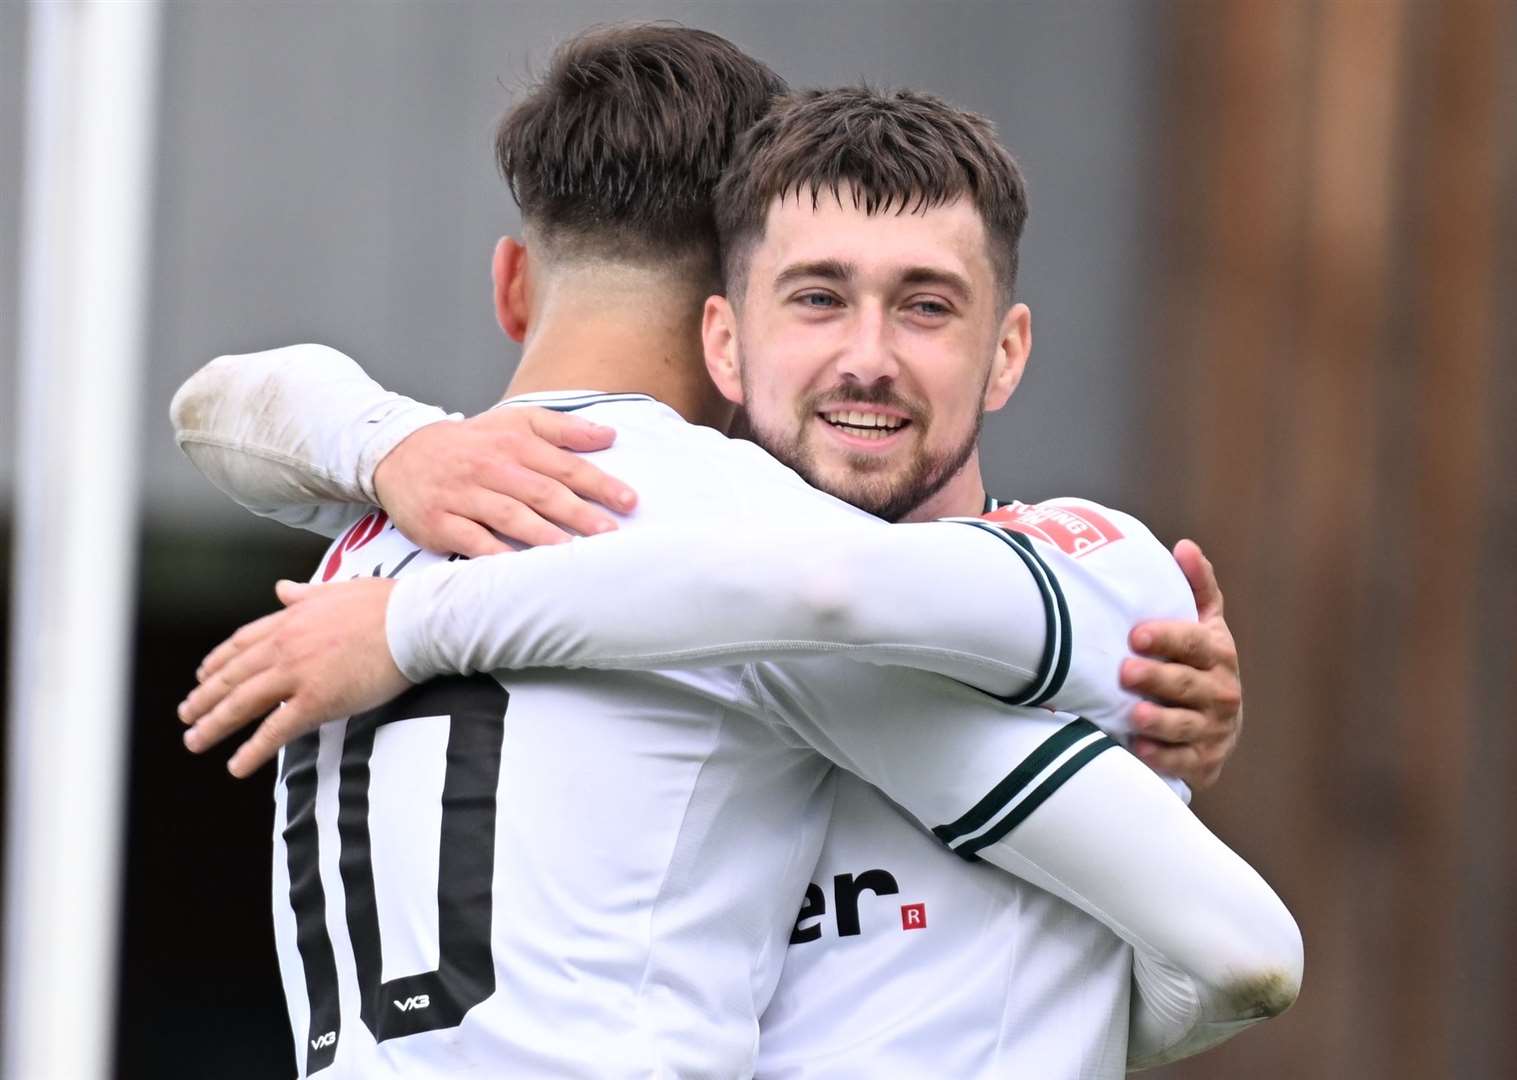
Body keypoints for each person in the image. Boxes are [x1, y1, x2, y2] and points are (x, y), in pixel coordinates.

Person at [174, 29, 1290, 1079]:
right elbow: (1240, 946)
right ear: (730, 321)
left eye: (919, 306)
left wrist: (391, 453)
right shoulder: (728, 555)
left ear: (513, 284)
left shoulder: (386, 525)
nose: (862, 355)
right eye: (818, 294)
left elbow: (216, 406)